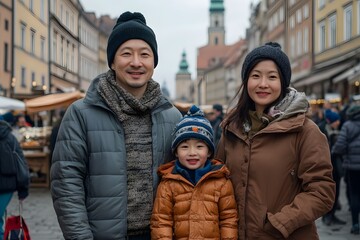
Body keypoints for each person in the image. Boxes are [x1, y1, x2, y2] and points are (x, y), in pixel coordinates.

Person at [50, 11, 182, 240]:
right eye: (126, 54)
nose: (136, 62)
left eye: (145, 54)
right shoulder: (81, 114)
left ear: (154, 62)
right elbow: (66, 184)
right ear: (112, 60)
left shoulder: (172, 117)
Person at [215, 42, 335, 239]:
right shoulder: (232, 129)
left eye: (272, 77)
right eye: (255, 76)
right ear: (246, 81)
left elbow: (322, 192)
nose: (263, 83)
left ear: (283, 82)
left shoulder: (305, 131)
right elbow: (217, 181)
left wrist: (280, 223)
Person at [151, 105, 238, 239]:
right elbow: (161, 222)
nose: (192, 153)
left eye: (199, 146)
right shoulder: (168, 183)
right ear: (176, 152)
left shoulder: (221, 181)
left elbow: (228, 220)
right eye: (185, 147)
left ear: (209, 151)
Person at [332, 105, 360, 235]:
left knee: (354, 194)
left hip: (353, 167)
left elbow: (339, 147)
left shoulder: (347, 126)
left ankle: (355, 224)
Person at [0, 119, 30, 239]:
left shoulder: (9, 138)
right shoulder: (10, 138)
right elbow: (20, 163)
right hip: (7, 187)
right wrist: (23, 189)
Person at [319, 109, 346, 226]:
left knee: (336, 192)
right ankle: (327, 216)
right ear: (330, 121)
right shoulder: (322, 130)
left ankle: (333, 215)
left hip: (336, 166)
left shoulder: (334, 131)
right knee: (328, 193)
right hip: (326, 167)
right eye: (336, 121)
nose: (338, 123)